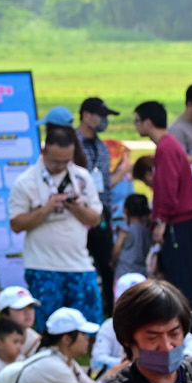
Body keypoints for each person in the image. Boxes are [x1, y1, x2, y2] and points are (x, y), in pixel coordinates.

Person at [8, 126, 104, 323]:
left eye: (66, 161)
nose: (61, 166)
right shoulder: (26, 181)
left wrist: (77, 207)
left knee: (89, 326)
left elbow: (95, 219)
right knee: (48, 329)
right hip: (42, 266)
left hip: (79, 265)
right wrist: (46, 209)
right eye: (55, 161)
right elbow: (16, 224)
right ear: (44, 152)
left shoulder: (82, 178)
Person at [136, 100, 192, 324]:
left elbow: (168, 187)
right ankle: (189, 322)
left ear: (148, 123)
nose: (136, 125)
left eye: (137, 121)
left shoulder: (166, 148)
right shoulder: (169, 145)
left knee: (180, 277)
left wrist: (161, 221)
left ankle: (185, 324)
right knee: (186, 274)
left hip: (179, 223)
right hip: (183, 221)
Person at [0, 306, 98, 383]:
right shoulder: (54, 367)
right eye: (83, 333)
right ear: (66, 339)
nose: (88, 338)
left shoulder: (63, 360)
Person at [76, 98, 120, 307]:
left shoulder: (102, 147)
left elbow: (105, 183)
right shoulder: (72, 144)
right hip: (78, 214)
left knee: (107, 265)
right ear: (86, 116)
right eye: (100, 116)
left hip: (102, 215)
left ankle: (111, 309)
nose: (104, 121)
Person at [90, 271, 145, 379]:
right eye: (129, 302)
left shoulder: (160, 326)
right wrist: (128, 363)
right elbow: (98, 359)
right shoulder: (109, 326)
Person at [115, 192, 154, 279]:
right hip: (141, 273)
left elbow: (116, 249)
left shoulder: (125, 231)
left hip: (124, 272)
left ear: (125, 210)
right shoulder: (148, 231)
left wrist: (112, 262)